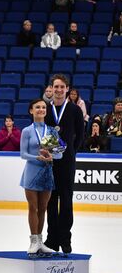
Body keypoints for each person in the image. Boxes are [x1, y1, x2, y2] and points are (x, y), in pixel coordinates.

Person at [44, 74, 85, 253]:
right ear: (51, 89)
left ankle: (65, 239)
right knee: (50, 200)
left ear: (67, 89)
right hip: (49, 162)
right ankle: (52, 239)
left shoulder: (74, 110)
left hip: (67, 161)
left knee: (66, 200)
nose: (59, 90)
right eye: (56, 87)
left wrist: (70, 152)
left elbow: (81, 135)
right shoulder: (45, 109)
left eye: (62, 87)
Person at [20, 98, 60, 256]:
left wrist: (52, 156)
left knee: (43, 209)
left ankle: (40, 242)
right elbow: (23, 154)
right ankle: (33, 241)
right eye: (37, 107)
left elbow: (58, 153)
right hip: (31, 172)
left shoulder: (51, 131)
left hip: (46, 173)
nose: (41, 110)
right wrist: (38, 157)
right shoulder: (27, 131)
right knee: (33, 208)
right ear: (31, 110)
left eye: (43, 107)